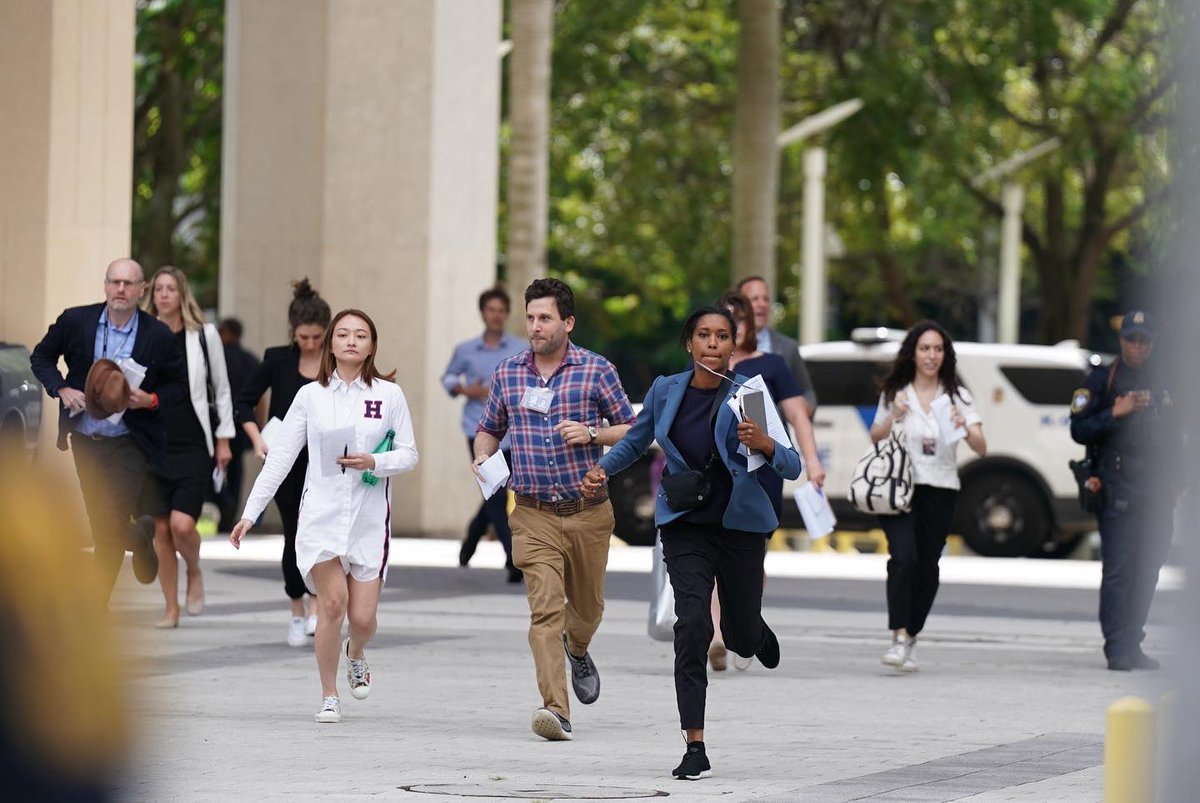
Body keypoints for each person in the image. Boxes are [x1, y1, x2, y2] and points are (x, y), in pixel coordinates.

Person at [581, 305, 801, 780]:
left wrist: (764, 443)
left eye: (722, 335)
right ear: (689, 343)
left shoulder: (749, 394)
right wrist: (602, 469)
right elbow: (636, 440)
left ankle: (753, 633)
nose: (713, 343)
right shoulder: (666, 390)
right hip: (684, 524)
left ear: (733, 345)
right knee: (694, 623)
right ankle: (694, 744)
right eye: (704, 335)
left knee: (741, 637)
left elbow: (792, 464)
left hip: (740, 527)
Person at [231, 309, 418, 724]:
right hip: (321, 517)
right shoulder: (310, 396)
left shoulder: (389, 395)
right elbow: (281, 457)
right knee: (332, 605)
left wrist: (374, 461)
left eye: (361, 335)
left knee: (363, 619)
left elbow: (409, 454)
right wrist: (250, 513)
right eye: (344, 334)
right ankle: (329, 695)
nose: (351, 341)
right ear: (331, 343)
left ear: (371, 345)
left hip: (368, 521)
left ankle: (356, 651)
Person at [472, 278, 636, 742]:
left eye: (545, 318)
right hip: (532, 513)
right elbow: (489, 429)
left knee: (587, 609)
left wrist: (593, 434)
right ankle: (556, 710)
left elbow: (633, 429)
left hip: (588, 511)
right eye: (530, 318)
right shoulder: (508, 373)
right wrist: (483, 455)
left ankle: (577, 647)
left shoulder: (596, 370)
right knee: (544, 612)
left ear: (568, 322)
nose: (535, 326)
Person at [29, 258, 187, 602]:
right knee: (101, 523)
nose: (121, 289)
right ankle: (139, 537)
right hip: (86, 438)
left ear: (141, 290)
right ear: (105, 285)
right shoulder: (76, 321)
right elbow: (40, 358)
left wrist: (152, 400)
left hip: (129, 442)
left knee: (110, 523)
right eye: (115, 282)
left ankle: (95, 605)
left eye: (129, 284)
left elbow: (179, 386)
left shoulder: (157, 335)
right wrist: (61, 388)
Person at [707, 290, 825, 671]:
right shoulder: (706, 368)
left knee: (750, 559)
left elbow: (798, 416)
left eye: (738, 320)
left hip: (761, 475)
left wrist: (812, 462)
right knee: (711, 554)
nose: (732, 327)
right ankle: (717, 634)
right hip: (715, 475)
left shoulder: (771, 366)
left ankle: (745, 626)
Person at [868, 321, 986, 672]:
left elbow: (981, 447)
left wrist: (963, 427)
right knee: (903, 557)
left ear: (945, 355)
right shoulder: (896, 392)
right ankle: (898, 636)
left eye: (937, 349)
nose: (931, 356)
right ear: (913, 353)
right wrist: (894, 414)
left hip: (941, 488)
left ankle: (912, 634)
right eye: (924, 349)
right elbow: (875, 434)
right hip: (899, 486)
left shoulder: (957, 396)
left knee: (927, 565)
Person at [1070, 311, 1178, 671]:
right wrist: (1115, 413)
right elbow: (1079, 430)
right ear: (1121, 340)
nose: (1138, 346)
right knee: (1119, 569)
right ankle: (1117, 646)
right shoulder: (1101, 380)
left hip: (1156, 488)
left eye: (1144, 340)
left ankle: (1133, 641)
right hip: (1117, 485)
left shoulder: (1163, 381)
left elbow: (1177, 434)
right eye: (1132, 339)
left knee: (1149, 568)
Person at [236, 279, 331, 646]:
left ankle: (318, 607)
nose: (311, 344)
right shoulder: (277, 359)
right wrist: (257, 438)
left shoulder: (335, 360)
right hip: (286, 462)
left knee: (321, 536)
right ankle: (297, 610)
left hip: (324, 463)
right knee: (294, 534)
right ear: (292, 331)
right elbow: (244, 402)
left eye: (317, 337)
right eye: (304, 337)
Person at [141, 267, 235, 628]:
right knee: (161, 530)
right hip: (153, 442)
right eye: (159, 289)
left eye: (171, 288)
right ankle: (171, 608)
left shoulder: (204, 334)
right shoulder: (142, 332)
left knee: (182, 525)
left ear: (182, 294)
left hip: (193, 440)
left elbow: (221, 389)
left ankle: (193, 570)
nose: (164, 294)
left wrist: (223, 439)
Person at [441, 287, 525, 582]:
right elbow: (449, 377)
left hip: (513, 433)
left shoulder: (519, 348)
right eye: (491, 310)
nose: (496, 315)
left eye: (501, 310)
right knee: (496, 496)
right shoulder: (466, 350)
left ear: (506, 314)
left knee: (498, 491)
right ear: (482, 313)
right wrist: (465, 389)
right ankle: (513, 559)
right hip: (478, 430)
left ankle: (473, 536)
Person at [736, 275, 818, 412]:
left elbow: (807, 392)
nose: (761, 304)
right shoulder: (725, 346)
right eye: (755, 299)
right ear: (739, 306)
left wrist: (803, 409)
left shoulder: (788, 347)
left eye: (766, 299)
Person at [215, 318, 261, 532]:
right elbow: (260, 398)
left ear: (225, 333)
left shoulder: (218, 357)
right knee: (236, 471)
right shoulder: (249, 360)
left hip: (218, 423)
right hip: (243, 423)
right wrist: (258, 425)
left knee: (212, 469)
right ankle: (230, 513)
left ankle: (223, 501)